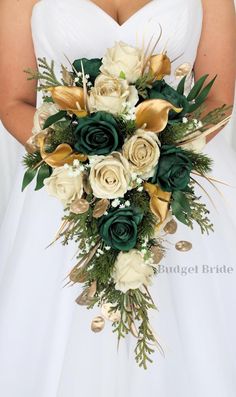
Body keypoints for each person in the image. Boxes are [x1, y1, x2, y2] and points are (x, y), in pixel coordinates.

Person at [0, 1, 235, 396]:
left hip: (178, 185)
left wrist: (152, 154)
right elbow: (12, 101)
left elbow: (219, 99)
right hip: (66, 191)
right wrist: (78, 156)